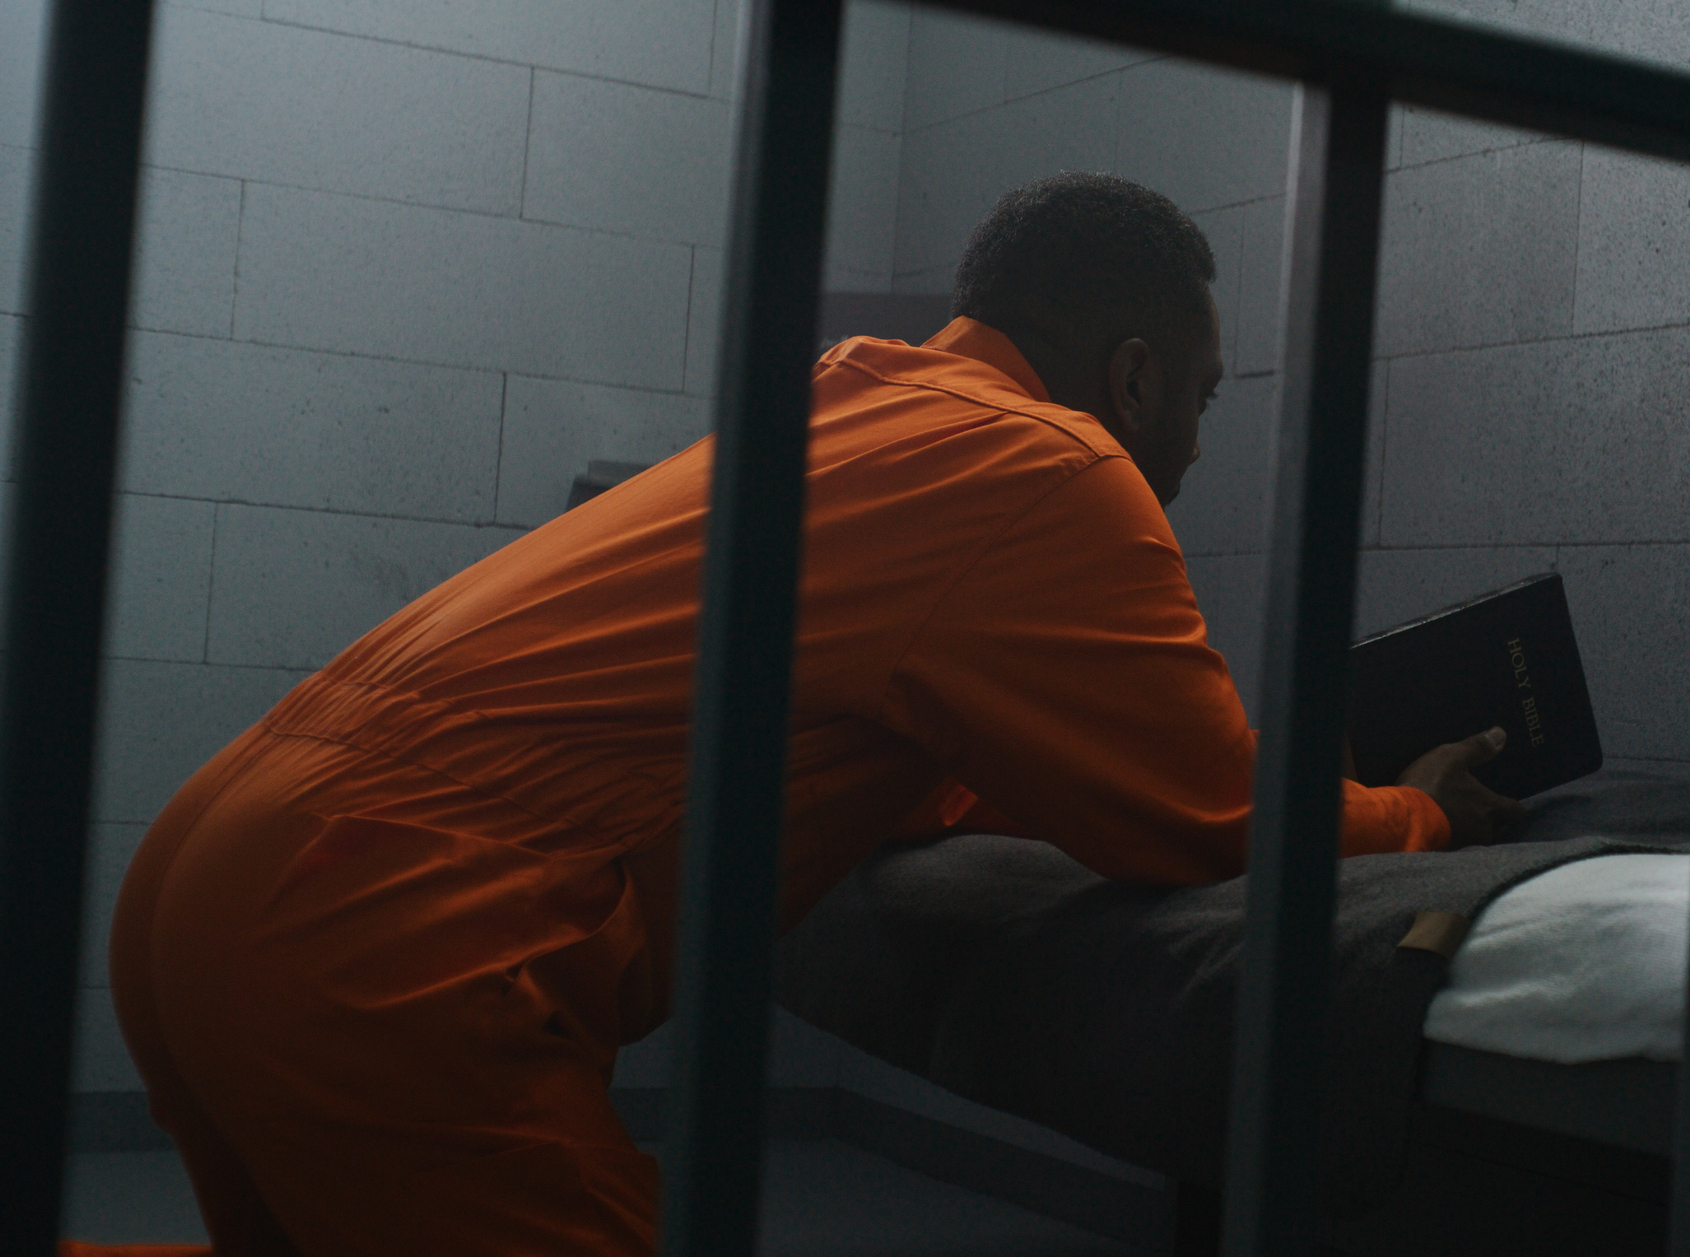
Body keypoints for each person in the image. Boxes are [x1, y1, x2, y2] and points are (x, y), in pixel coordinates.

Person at [69, 172, 1522, 1257]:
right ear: (1133, 376)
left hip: (208, 875)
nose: (1198, 445)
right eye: (1202, 398)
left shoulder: (846, 405)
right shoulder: (1053, 467)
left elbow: (927, 735)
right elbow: (1205, 808)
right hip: (376, 932)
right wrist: (1425, 808)